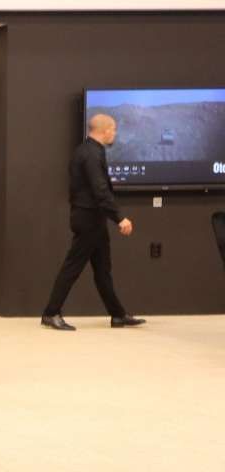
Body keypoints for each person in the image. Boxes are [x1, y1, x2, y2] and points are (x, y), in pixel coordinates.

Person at [41, 113, 146, 330]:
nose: (115, 133)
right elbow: (100, 190)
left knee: (102, 270)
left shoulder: (87, 150)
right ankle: (51, 313)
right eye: (113, 129)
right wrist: (119, 218)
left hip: (93, 219)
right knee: (72, 267)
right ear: (105, 130)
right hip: (88, 219)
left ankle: (118, 315)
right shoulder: (91, 155)